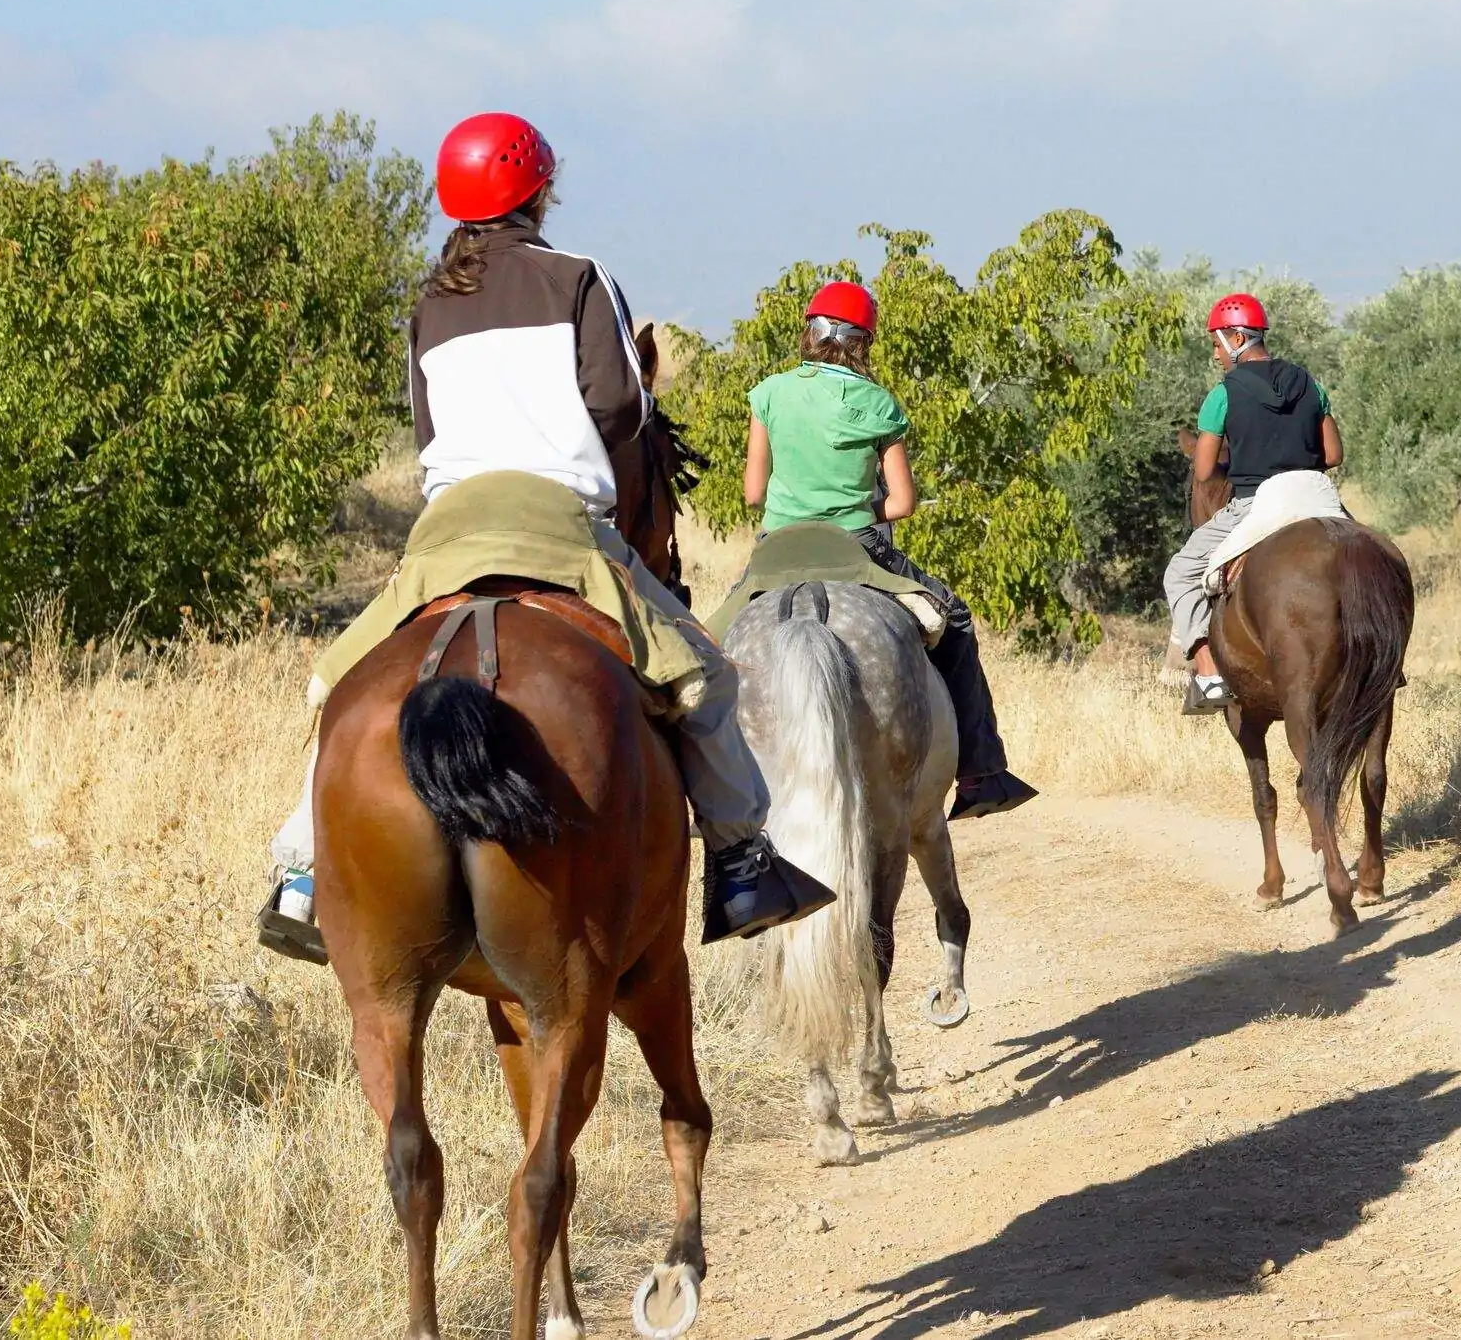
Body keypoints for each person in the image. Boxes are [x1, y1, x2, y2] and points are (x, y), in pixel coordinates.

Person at [259, 112, 834, 963]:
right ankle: (742, 860)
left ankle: (302, 877)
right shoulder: (578, 278)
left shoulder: (428, 302)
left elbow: (425, 433)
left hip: (444, 536)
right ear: (538, 190)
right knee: (704, 677)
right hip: (557, 523)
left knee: (334, 683)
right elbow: (622, 408)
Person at [741, 281, 1040, 819]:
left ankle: (709, 794)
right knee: (955, 617)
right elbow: (902, 503)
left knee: (710, 645)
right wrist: (853, 509)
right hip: (856, 547)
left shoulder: (769, 392)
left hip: (777, 549)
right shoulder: (878, 403)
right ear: (863, 342)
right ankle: (980, 771)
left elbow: (754, 492)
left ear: (810, 331)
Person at [1164, 292, 1342, 713]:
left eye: (1215, 343)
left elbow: (1205, 471)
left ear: (1236, 337)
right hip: (1317, 497)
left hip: (1256, 503)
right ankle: (1385, 667)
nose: (1214, 354)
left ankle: (1207, 675)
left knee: (1180, 573)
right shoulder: (1310, 384)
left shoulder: (1223, 395)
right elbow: (1333, 455)